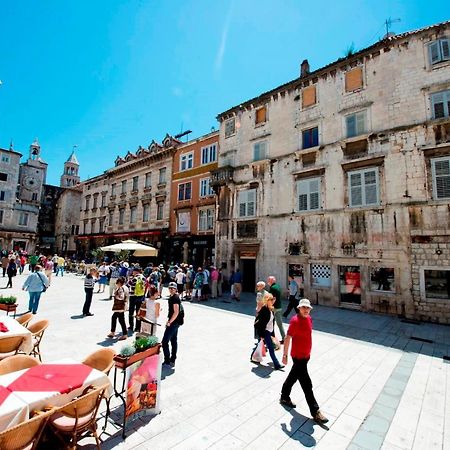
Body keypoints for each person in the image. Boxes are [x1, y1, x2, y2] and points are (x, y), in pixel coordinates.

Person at [280, 298, 328, 424]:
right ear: (299, 308)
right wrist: (284, 355)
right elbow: (287, 338)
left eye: (308, 308)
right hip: (298, 357)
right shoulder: (295, 321)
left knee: (293, 376)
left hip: (306, 356)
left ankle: (284, 396)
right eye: (304, 307)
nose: (306, 310)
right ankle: (315, 411)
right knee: (307, 384)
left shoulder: (309, 319)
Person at [253, 293, 284, 370]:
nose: (273, 301)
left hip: (269, 331)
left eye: (273, 299)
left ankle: (253, 357)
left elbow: (272, 323)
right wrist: (262, 335)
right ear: (267, 300)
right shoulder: (264, 309)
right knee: (270, 348)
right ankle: (277, 364)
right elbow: (260, 323)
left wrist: (273, 334)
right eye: (271, 299)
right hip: (265, 332)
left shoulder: (271, 309)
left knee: (261, 345)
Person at [162, 282, 183, 367]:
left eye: (173, 288)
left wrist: (169, 322)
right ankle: (172, 359)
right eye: (170, 288)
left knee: (164, 342)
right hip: (175, 322)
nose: (171, 289)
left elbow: (176, 312)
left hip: (174, 322)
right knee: (173, 340)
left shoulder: (175, 298)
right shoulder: (173, 297)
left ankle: (167, 360)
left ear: (176, 289)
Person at [127, 267, 146, 332]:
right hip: (140, 296)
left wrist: (129, 279)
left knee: (131, 311)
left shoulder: (134, 278)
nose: (132, 272)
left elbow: (128, 284)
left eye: (133, 271)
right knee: (138, 312)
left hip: (133, 296)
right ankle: (138, 327)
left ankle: (131, 326)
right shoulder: (144, 278)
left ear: (135, 271)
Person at [267, 275, 285, 343]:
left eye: (268, 280)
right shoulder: (278, 286)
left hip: (274, 308)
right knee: (279, 324)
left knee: (271, 323)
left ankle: (271, 338)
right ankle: (284, 337)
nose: (268, 281)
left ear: (271, 281)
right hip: (279, 306)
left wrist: (269, 306)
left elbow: (272, 298)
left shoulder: (273, 288)